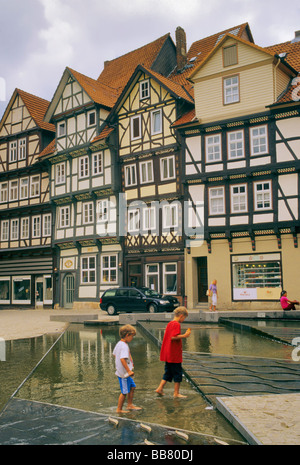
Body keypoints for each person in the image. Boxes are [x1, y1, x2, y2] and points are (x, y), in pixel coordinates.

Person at [155, 306, 191, 398]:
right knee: (177, 372)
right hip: (174, 353)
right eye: (184, 318)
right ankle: (176, 393)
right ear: (181, 316)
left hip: (168, 353)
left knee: (168, 372)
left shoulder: (170, 323)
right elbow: (173, 337)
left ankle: (160, 388)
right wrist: (185, 335)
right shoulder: (176, 324)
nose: (183, 320)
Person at [113, 324, 142, 413]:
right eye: (132, 336)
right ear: (127, 335)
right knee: (124, 392)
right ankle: (119, 409)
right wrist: (128, 371)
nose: (132, 338)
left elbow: (114, 354)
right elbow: (122, 359)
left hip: (124, 372)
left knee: (132, 387)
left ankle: (129, 405)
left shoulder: (119, 343)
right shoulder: (124, 346)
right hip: (124, 374)